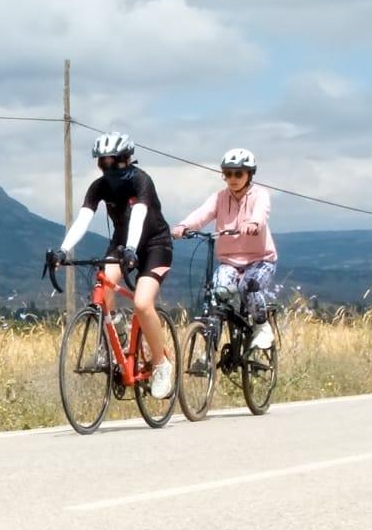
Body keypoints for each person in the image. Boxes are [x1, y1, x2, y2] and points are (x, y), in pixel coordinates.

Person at [55, 131, 176, 401]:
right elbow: (83, 219)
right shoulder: (99, 187)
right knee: (102, 287)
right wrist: (63, 249)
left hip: (155, 244)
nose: (108, 167)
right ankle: (115, 337)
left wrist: (133, 249)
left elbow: (139, 216)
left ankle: (161, 365)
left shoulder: (141, 180)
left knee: (143, 304)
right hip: (122, 244)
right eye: (102, 162)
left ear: (126, 159)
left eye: (114, 161)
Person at [175, 147, 279, 361]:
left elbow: (262, 212)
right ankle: (209, 353)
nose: (232, 178)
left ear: (249, 174)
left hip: (260, 260)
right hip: (230, 262)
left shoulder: (260, 195)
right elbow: (203, 214)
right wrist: (183, 225)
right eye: (228, 173)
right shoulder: (220, 197)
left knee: (247, 287)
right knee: (217, 295)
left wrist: (253, 223)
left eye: (238, 173)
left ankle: (262, 325)